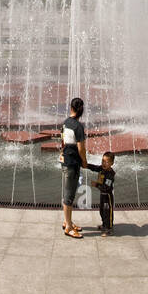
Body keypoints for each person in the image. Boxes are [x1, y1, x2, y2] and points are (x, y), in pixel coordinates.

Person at [60, 96, 87, 239]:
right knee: (69, 196)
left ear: (71, 108)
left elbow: (62, 141)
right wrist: (84, 161)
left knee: (67, 192)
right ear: (81, 110)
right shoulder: (78, 126)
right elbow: (81, 148)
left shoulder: (66, 122)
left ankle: (67, 221)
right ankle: (69, 228)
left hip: (65, 161)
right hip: (72, 163)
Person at [86, 151, 116, 235]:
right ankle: (104, 225)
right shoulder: (102, 169)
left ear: (112, 163)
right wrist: (86, 165)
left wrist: (96, 185)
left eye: (107, 162)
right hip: (102, 195)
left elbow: (106, 187)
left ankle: (109, 228)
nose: (104, 163)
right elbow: (95, 168)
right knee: (102, 210)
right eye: (103, 161)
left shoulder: (110, 174)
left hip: (108, 196)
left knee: (108, 211)